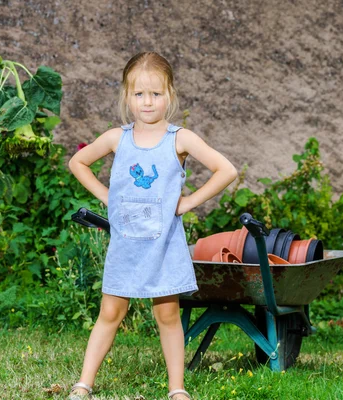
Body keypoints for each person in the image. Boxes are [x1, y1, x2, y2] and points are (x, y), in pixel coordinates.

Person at [68, 51, 238, 400]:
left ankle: (177, 388)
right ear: (127, 97)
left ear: (170, 95)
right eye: (139, 94)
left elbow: (227, 170)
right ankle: (84, 384)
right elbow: (78, 162)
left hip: (163, 247)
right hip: (127, 246)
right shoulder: (118, 138)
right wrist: (107, 197)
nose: (148, 102)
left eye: (156, 94)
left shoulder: (180, 139)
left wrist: (189, 202)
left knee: (168, 315)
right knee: (110, 312)